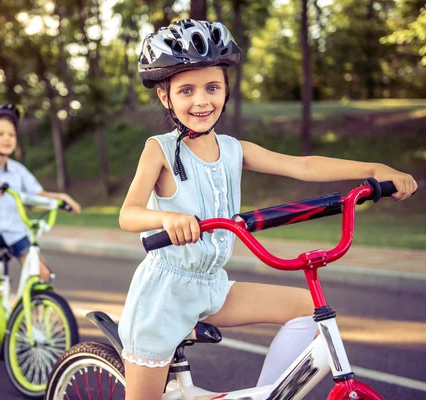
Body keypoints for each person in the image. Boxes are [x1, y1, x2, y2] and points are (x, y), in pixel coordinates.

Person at [117, 19, 418, 400]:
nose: (201, 101)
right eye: (186, 90)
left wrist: (374, 170)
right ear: (166, 97)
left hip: (212, 287)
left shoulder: (233, 149)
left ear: (226, 90)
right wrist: (167, 218)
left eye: (212, 88)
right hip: (164, 295)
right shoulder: (158, 149)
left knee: (310, 309)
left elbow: (302, 165)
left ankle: (267, 395)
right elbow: (128, 214)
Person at [0, 104, 82, 318]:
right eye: (0, 134)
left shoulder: (18, 170)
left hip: (15, 231)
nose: (7, 138)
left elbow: (39, 194)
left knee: (43, 274)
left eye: (11, 134)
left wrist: (61, 198)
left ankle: (25, 320)